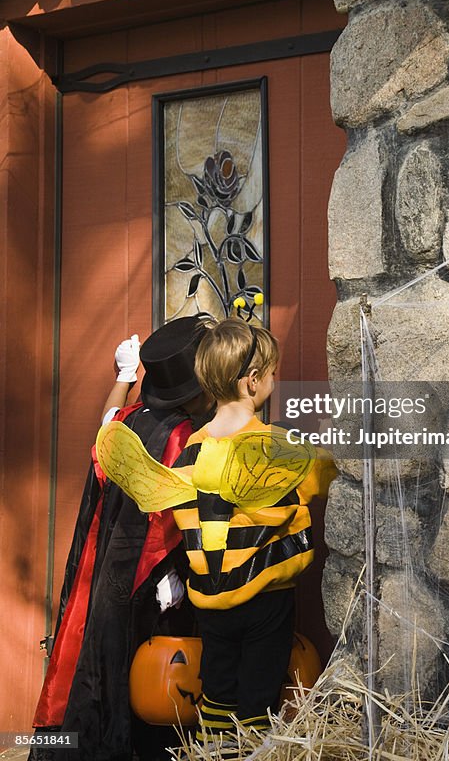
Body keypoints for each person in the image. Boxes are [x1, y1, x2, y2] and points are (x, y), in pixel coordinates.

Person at [96, 318, 336, 757]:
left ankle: (214, 752)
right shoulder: (277, 445)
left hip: (209, 598)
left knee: (218, 695)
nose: (274, 381)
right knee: (260, 700)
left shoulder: (189, 450)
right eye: (272, 373)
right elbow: (323, 475)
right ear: (253, 381)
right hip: (265, 596)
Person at [31, 315, 215, 761]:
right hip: (147, 578)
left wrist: (124, 377)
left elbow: (105, 424)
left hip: (104, 568)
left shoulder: (132, 417)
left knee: (92, 653)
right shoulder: (181, 435)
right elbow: (169, 516)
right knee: (137, 678)